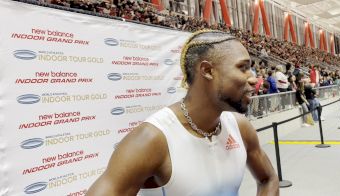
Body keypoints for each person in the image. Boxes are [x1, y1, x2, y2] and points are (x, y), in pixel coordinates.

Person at [86, 30, 279, 196]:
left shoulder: (240, 126)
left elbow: (268, 178)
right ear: (208, 70)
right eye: (243, 68)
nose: (254, 79)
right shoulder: (153, 140)